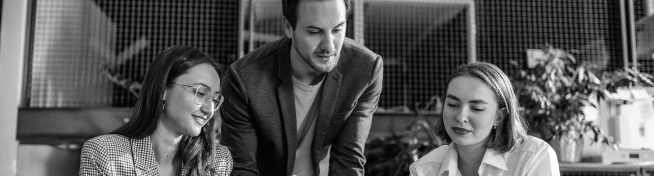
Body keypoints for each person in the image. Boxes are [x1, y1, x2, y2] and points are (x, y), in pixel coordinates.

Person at [219, 0, 383, 175]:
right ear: (288, 26)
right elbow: (241, 168)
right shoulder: (244, 79)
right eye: (314, 32)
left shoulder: (365, 69)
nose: (329, 46)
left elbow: (349, 160)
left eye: (337, 30)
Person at [79, 46, 232, 176]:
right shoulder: (105, 154)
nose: (209, 109)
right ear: (163, 90)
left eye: (214, 99)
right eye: (200, 93)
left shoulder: (218, 163)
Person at [409, 62, 559, 176]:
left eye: (476, 108)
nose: (461, 117)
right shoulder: (423, 170)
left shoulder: (533, 157)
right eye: (453, 104)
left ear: (499, 117)